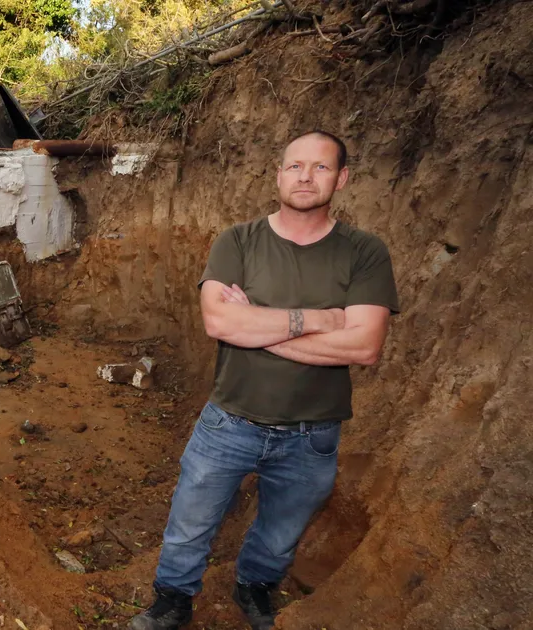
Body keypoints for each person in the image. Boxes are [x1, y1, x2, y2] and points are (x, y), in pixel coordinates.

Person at [131, 130, 399, 630]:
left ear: (342, 178)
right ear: (278, 174)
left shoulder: (363, 252)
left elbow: (365, 346)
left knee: (281, 532)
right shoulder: (238, 240)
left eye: (320, 167)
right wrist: (319, 320)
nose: (305, 176)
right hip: (229, 421)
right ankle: (172, 599)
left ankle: (254, 587)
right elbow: (220, 324)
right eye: (295, 165)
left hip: (313, 434)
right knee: (191, 522)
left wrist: (260, 326)